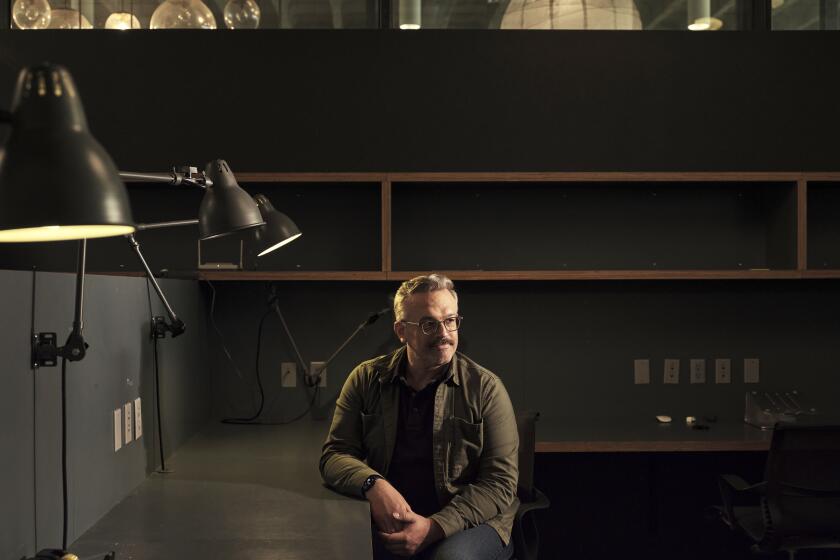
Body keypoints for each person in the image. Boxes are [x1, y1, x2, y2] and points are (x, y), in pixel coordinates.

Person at [320, 274, 519, 559]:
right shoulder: (366, 378)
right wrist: (374, 485)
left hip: (472, 521)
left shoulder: (486, 388)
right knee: (344, 548)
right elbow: (335, 454)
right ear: (401, 331)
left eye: (450, 321)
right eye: (429, 324)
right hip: (394, 517)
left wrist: (434, 527)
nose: (444, 334)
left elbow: (499, 485)